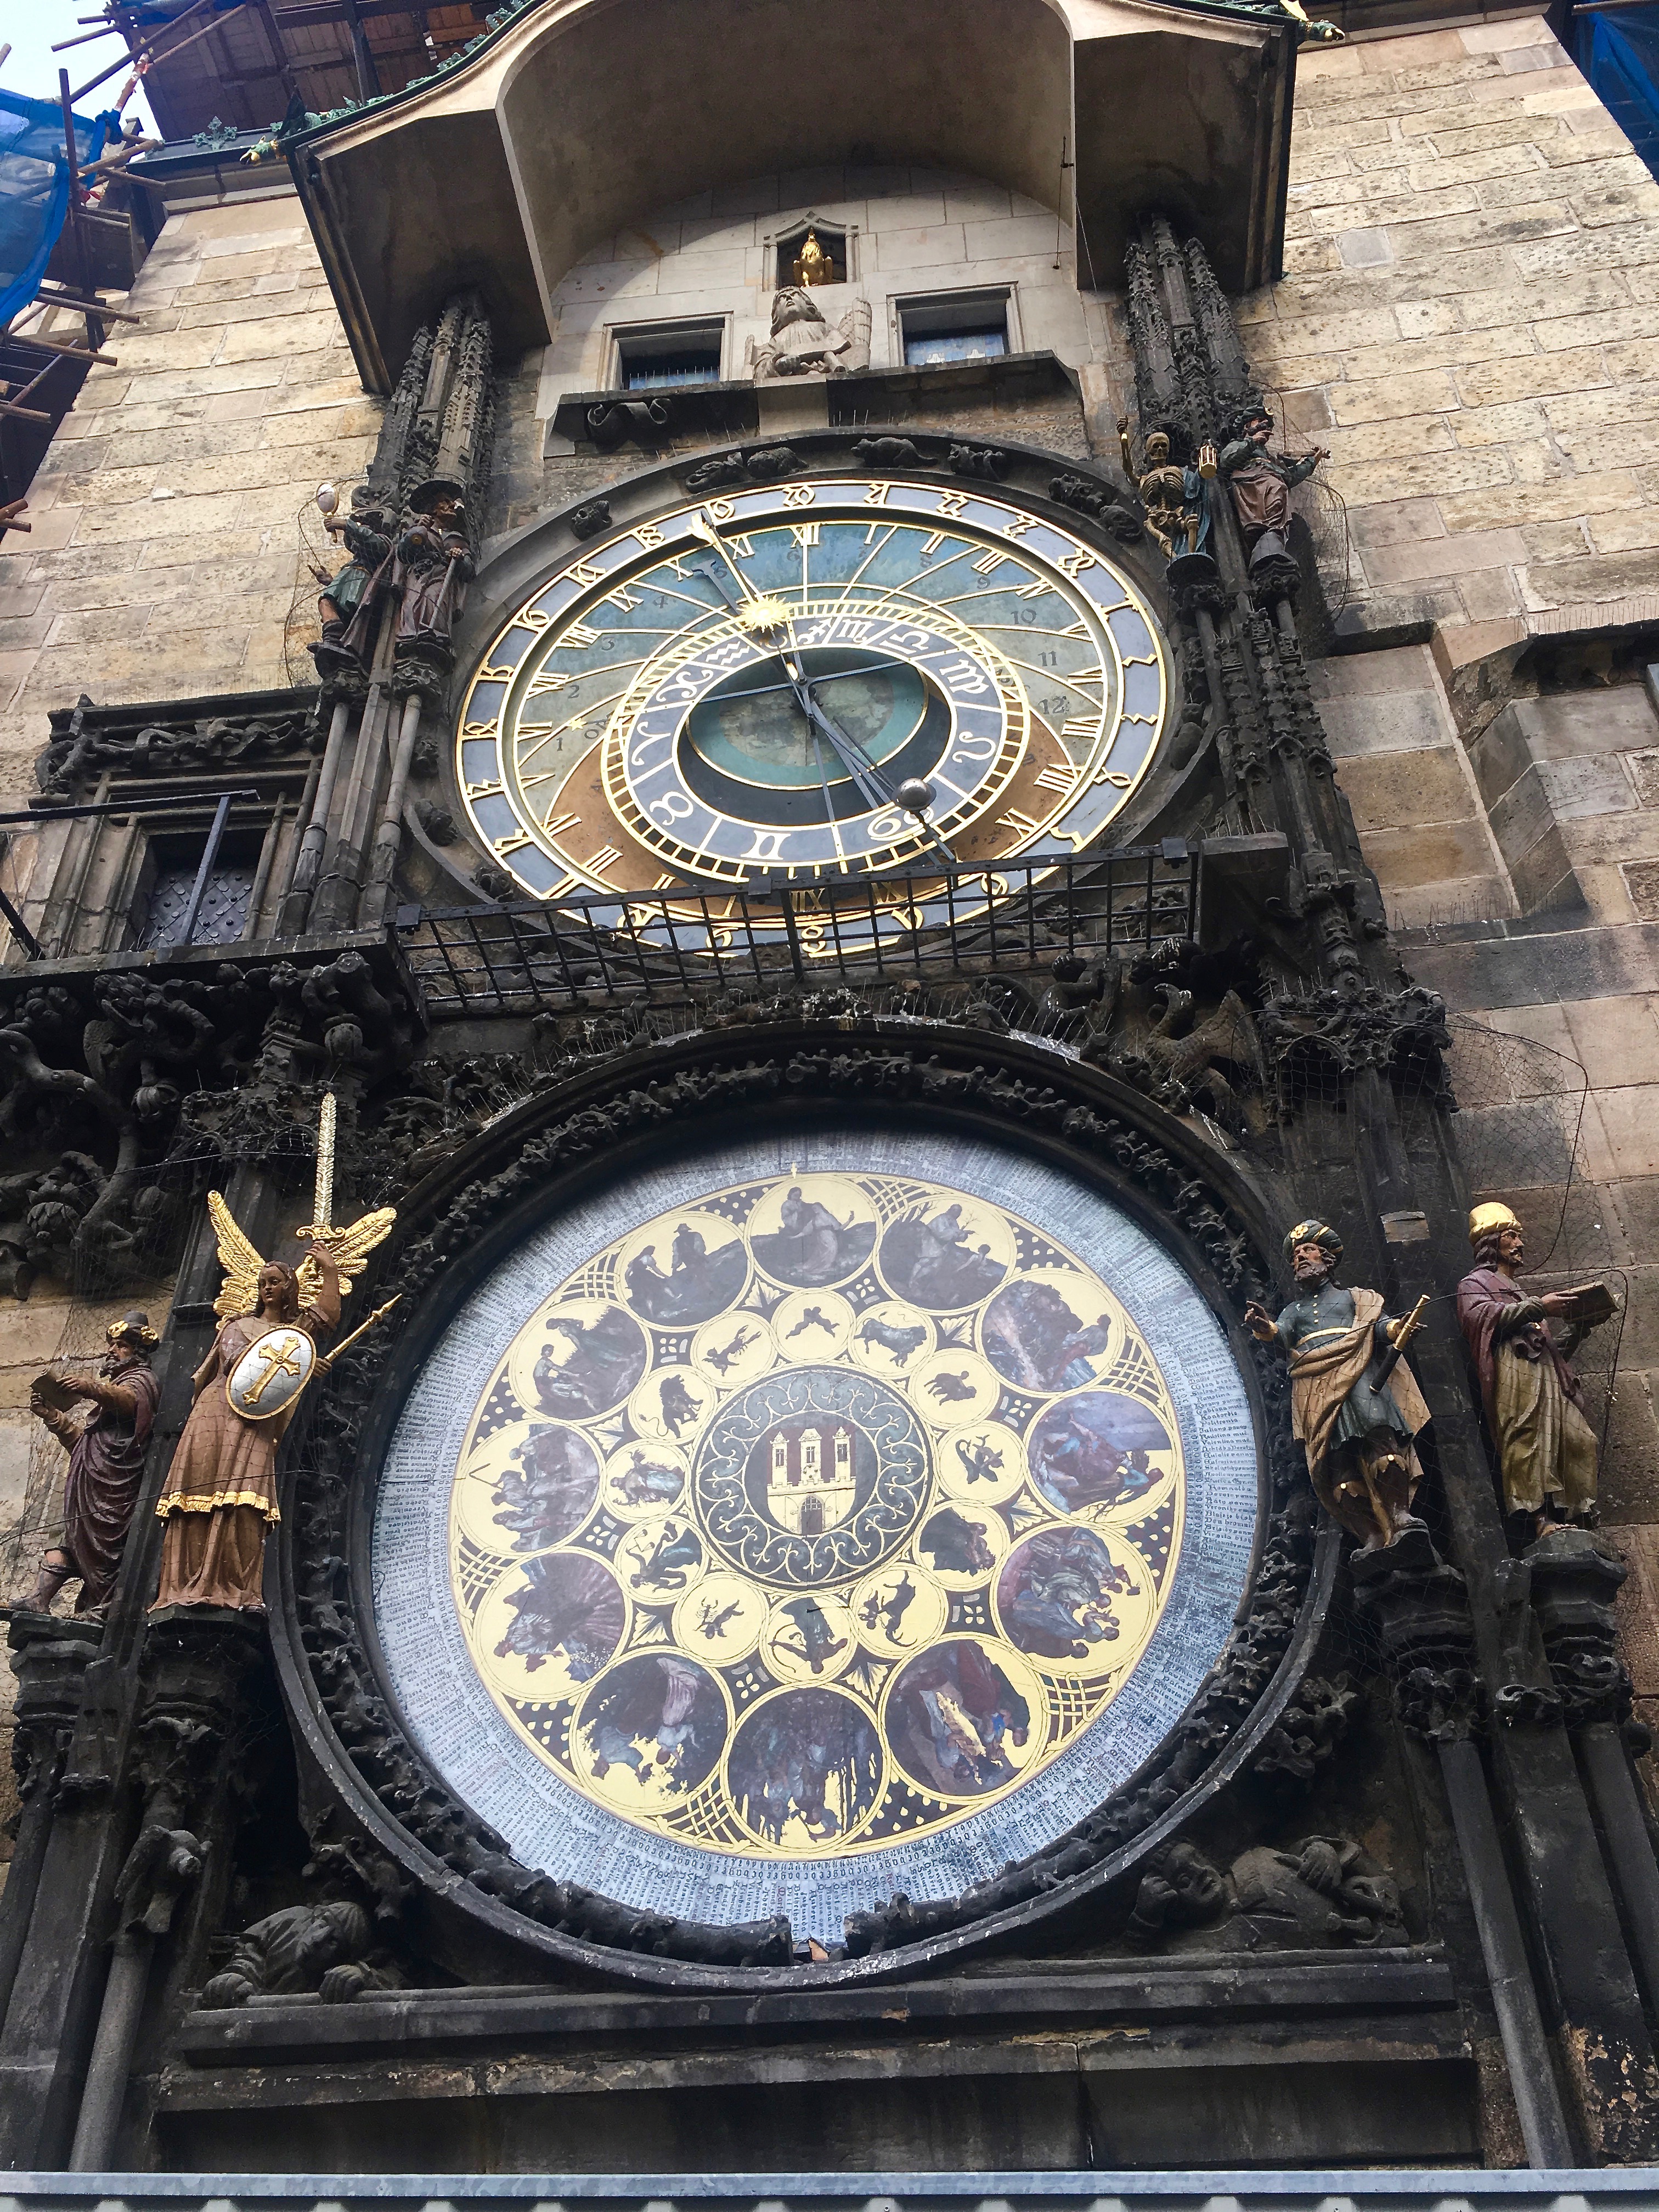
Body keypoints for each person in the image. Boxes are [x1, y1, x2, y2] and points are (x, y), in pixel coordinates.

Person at [153, 1246, 340, 1611]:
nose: (268, 1288)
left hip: (257, 1423)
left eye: (276, 1282)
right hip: (218, 1410)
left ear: (290, 1287)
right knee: (197, 1496)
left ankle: (238, 1587)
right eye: (263, 1283)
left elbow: (326, 1316)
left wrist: (330, 1272)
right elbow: (242, 1363)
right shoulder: (238, 1325)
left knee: (248, 1502)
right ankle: (183, 1586)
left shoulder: (293, 1333)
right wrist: (303, 1359)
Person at [1245, 1219, 1430, 1550]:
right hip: (1315, 1384)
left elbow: (1376, 1327)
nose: (1301, 1257)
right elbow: (1281, 1338)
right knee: (1337, 1461)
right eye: (1297, 1254)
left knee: (1382, 1438)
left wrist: (1397, 1328)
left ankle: (1400, 1514)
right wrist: (1265, 1327)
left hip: (1358, 1374)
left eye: (1309, 1250)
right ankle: (1370, 1533)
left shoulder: (1354, 1299)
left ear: (1327, 1259)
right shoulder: (1294, 1310)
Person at [1457, 1201, 1612, 1536]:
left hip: (1547, 1373)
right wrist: (1541, 1306)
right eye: (1511, 1236)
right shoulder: (1474, 1282)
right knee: (1527, 1437)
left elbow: (1550, 1351)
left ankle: (1578, 1514)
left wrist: (1580, 1328)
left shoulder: (1517, 1290)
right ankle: (1541, 1520)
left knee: (1578, 1438)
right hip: (1514, 1371)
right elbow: (1478, 1317)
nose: (1520, 1244)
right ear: (1492, 1243)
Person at [28, 1311, 160, 1616]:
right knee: (62, 1537)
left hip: (114, 1489)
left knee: (105, 1550)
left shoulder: (141, 1380)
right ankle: (38, 1599)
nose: (112, 1350)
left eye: (121, 1345)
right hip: (89, 1485)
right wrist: (53, 1417)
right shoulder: (105, 1414)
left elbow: (130, 1401)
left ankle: (106, 1606)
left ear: (138, 1351)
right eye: (111, 1344)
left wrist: (90, 1388)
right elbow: (83, 1445)